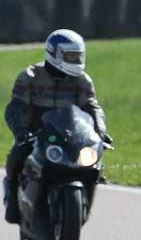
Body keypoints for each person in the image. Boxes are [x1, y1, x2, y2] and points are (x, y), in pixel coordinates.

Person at [3, 29, 109, 223]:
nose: (76, 60)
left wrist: (101, 131)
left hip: (71, 136)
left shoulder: (83, 80)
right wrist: (20, 132)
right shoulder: (29, 76)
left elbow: (92, 106)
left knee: (94, 162)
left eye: (78, 56)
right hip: (36, 134)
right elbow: (15, 108)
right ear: (54, 54)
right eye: (70, 56)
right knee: (17, 154)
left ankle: (83, 201)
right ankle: (11, 194)